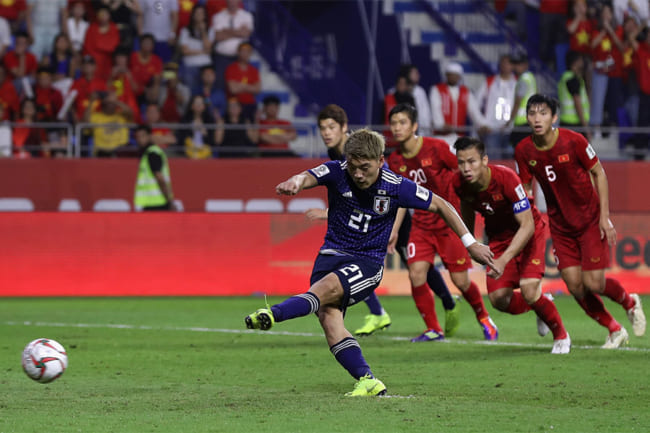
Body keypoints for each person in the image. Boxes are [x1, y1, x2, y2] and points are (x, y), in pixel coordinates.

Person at [244, 128, 496, 397]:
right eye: (354, 168)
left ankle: (273, 314)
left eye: (365, 168)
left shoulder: (396, 186)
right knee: (329, 319)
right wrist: (295, 182)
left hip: (366, 262)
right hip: (329, 256)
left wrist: (471, 243)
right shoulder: (337, 170)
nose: (358, 174)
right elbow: (307, 176)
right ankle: (368, 380)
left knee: (324, 290)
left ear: (381, 161)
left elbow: (442, 205)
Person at [310, 104, 460, 337]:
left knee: (417, 268)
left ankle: (448, 302)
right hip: (367, 220)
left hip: (389, 218)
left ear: (344, 127)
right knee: (355, 261)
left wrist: (394, 228)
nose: (326, 133)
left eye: (331, 127)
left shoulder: (363, 148)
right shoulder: (335, 154)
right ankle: (379, 312)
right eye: (322, 128)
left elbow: (391, 187)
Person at [514, 94, 646, 348]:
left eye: (543, 113)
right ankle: (614, 329)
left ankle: (630, 302)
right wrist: (526, 216)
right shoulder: (524, 150)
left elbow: (599, 172)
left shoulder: (573, 141)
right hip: (560, 226)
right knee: (575, 286)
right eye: (532, 113)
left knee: (593, 283)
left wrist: (605, 218)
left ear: (554, 117)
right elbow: (526, 186)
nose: (537, 118)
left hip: (589, 220)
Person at [387, 103, 498, 341]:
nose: (397, 128)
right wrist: (395, 230)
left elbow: (463, 172)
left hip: (449, 222)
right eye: (394, 123)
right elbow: (401, 199)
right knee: (416, 274)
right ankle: (433, 329)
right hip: (421, 225)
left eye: (402, 122)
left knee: (460, 280)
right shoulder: (395, 160)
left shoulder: (436, 148)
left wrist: (471, 201)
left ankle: (483, 317)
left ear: (414, 126)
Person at [453, 136, 571, 354]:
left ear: (484, 160)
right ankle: (542, 303)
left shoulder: (507, 179)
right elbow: (467, 208)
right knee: (499, 299)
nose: (466, 168)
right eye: (461, 163)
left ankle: (561, 335)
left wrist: (504, 258)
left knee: (528, 288)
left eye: (472, 161)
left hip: (529, 232)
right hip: (498, 237)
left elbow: (526, 225)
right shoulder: (459, 183)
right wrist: (470, 243)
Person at [430, 62, 487, 148]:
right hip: (441, 136)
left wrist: (482, 124)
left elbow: (474, 111)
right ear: (446, 75)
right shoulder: (437, 90)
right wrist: (441, 124)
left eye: (456, 75)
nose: (453, 77)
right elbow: (435, 109)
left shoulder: (466, 92)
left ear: (459, 77)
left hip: (458, 136)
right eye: (451, 75)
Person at [476, 54, 517, 159]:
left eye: (508, 63)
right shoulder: (490, 82)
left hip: (512, 129)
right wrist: (482, 123)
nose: (505, 66)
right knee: (493, 163)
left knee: (511, 163)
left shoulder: (518, 82)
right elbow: (476, 103)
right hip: (492, 129)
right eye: (503, 63)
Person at [208, 0, 253, 90]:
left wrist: (226, 31)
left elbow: (246, 34)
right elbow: (218, 36)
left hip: (239, 58)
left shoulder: (247, 16)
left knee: (238, 85)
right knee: (220, 84)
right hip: (221, 57)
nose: (232, 2)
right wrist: (238, 31)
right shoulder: (218, 16)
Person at [134, 124, 175, 211]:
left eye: (143, 136)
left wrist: (169, 201)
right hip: (150, 202)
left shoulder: (152, 153)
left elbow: (159, 177)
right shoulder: (147, 153)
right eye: (137, 137)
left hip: (158, 204)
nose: (140, 140)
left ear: (149, 136)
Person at [84, 88, 133, 157]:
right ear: (103, 104)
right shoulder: (96, 116)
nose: (110, 104)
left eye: (112, 103)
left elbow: (130, 112)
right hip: (102, 152)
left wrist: (115, 101)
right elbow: (85, 121)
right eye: (107, 103)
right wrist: (91, 101)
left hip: (121, 152)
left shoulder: (122, 116)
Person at [178, 4, 212, 95]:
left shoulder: (210, 30)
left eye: (201, 13)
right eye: (197, 13)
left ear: (205, 15)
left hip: (205, 66)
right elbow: (185, 51)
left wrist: (203, 31)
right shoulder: (185, 30)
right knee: (191, 93)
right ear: (192, 15)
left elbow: (208, 49)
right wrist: (202, 52)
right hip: (190, 66)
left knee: (205, 93)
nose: (199, 15)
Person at [224, 41, 260, 121]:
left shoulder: (253, 70)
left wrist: (240, 85)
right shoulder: (231, 68)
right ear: (238, 52)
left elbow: (257, 89)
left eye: (248, 51)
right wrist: (249, 87)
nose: (245, 53)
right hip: (234, 104)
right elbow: (233, 89)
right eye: (243, 51)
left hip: (250, 104)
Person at [82, 6, 120, 81]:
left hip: (108, 61)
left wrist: (98, 45)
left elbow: (113, 46)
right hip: (93, 62)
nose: (102, 16)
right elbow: (87, 47)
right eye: (100, 14)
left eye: (104, 14)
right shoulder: (92, 28)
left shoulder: (113, 28)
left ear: (109, 15)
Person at [508, 52, 537, 149]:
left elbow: (518, 101)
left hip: (522, 123)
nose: (516, 67)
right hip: (530, 120)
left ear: (525, 65)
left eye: (518, 64)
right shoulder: (530, 77)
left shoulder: (523, 80)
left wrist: (510, 121)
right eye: (514, 64)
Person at [558, 50, 590, 135]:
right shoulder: (572, 80)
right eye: (581, 60)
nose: (583, 62)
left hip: (566, 122)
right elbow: (577, 104)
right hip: (574, 125)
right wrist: (586, 128)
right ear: (575, 62)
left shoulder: (565, 77)